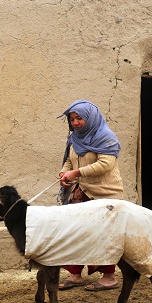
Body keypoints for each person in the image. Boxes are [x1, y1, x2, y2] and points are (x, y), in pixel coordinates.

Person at [56, 99, 125, 291]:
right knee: (75, 232)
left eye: (80, 119)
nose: (76, 123)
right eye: (72, 119)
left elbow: (106, 165)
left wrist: (76, 173)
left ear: (91, 118)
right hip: (80, 192)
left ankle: (109, 276)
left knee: (103, 234)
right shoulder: (75, 138)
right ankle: (75, 273)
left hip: (104, 194)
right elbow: (70, 161)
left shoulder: (106, 138)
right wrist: (64, 174)